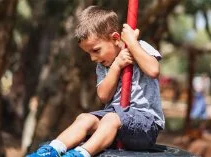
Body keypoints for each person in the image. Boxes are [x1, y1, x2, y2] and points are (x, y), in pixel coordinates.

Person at [27, 5, 165, 157]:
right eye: (89, 53)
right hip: (113, 124)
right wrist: (117, 66)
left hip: (145, 124)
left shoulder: (139, 47)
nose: (93, 58)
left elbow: (153, 70)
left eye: (96, 50)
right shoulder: (103, 66)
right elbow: (104, 96)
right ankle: (51, 150)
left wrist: (132, 43)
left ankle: (81, 154)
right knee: (84, 118)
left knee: (111, 119)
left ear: (115, 38)